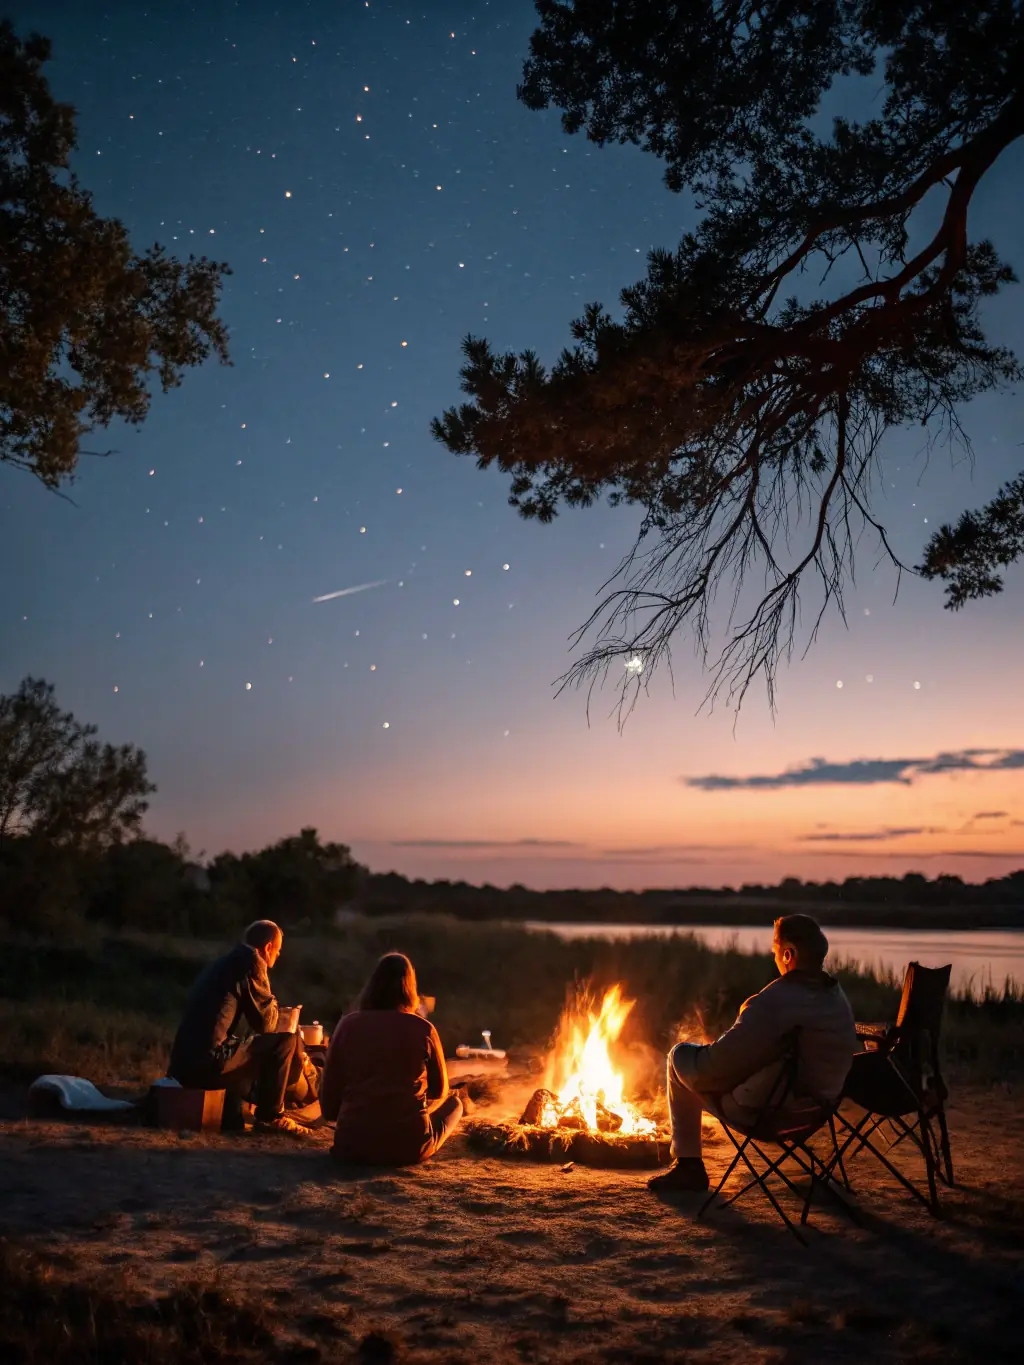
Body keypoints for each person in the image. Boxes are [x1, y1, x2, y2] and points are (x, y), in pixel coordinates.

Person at [648, 914, 857, 1193]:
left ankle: (689, 1168)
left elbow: (716, 1066)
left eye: (775, 952)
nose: (774, 958)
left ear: (788, 954)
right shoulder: (836, 997)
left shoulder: (775, 1002)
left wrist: (699, 1054)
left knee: (680, 1058)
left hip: (768, 1116)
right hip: (815, 1113)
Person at [169, 919, 311, 1137]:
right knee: (285, 1041)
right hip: (209, 1064)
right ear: (268, 948)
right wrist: (275, 1003)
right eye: (278, 950)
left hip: (183, 1065)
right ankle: (271, 1116)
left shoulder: (227, 961)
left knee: (245, 1043)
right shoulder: (252, 963)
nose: (278, 955)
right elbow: (266, 1024)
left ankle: (246, 1107)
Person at [321, 952, 466, 1166]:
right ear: (410, 989)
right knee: (455, 1104)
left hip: (351, 1146)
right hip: (409, 1148)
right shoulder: (424, 1029)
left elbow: (328, 1106)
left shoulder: (347, 1025)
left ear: (372, 986)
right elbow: (439, 1091)